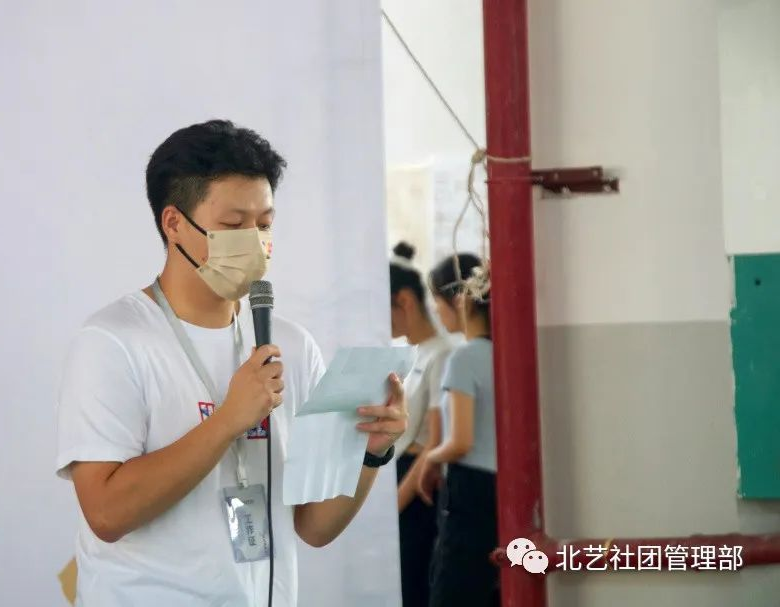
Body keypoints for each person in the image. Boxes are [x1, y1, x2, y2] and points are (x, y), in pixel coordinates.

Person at [54, 119, 408, 607]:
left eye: (264, 224)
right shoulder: (113, 341)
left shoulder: (290, 344)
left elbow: (314, 526)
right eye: (233, 225)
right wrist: (228, 421)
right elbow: (107, 514)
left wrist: (369, 453)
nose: (255, 242)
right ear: (174, 223)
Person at [416, 253, 499, 607]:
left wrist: (430, 459)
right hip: (502, 489)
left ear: (462, 301)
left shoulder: (462, 359)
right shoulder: (503, 355)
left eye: (437, 300)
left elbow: (460, 441)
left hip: (469, 491)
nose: (436, 310)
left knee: (453, 591)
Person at [387, 242, 452, 607]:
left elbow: (433, 442)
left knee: (413, 586)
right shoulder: (409, 355)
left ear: (405, 301)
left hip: (418, 482)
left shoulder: (443, 354)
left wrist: (399, 498)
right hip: (398, 473)